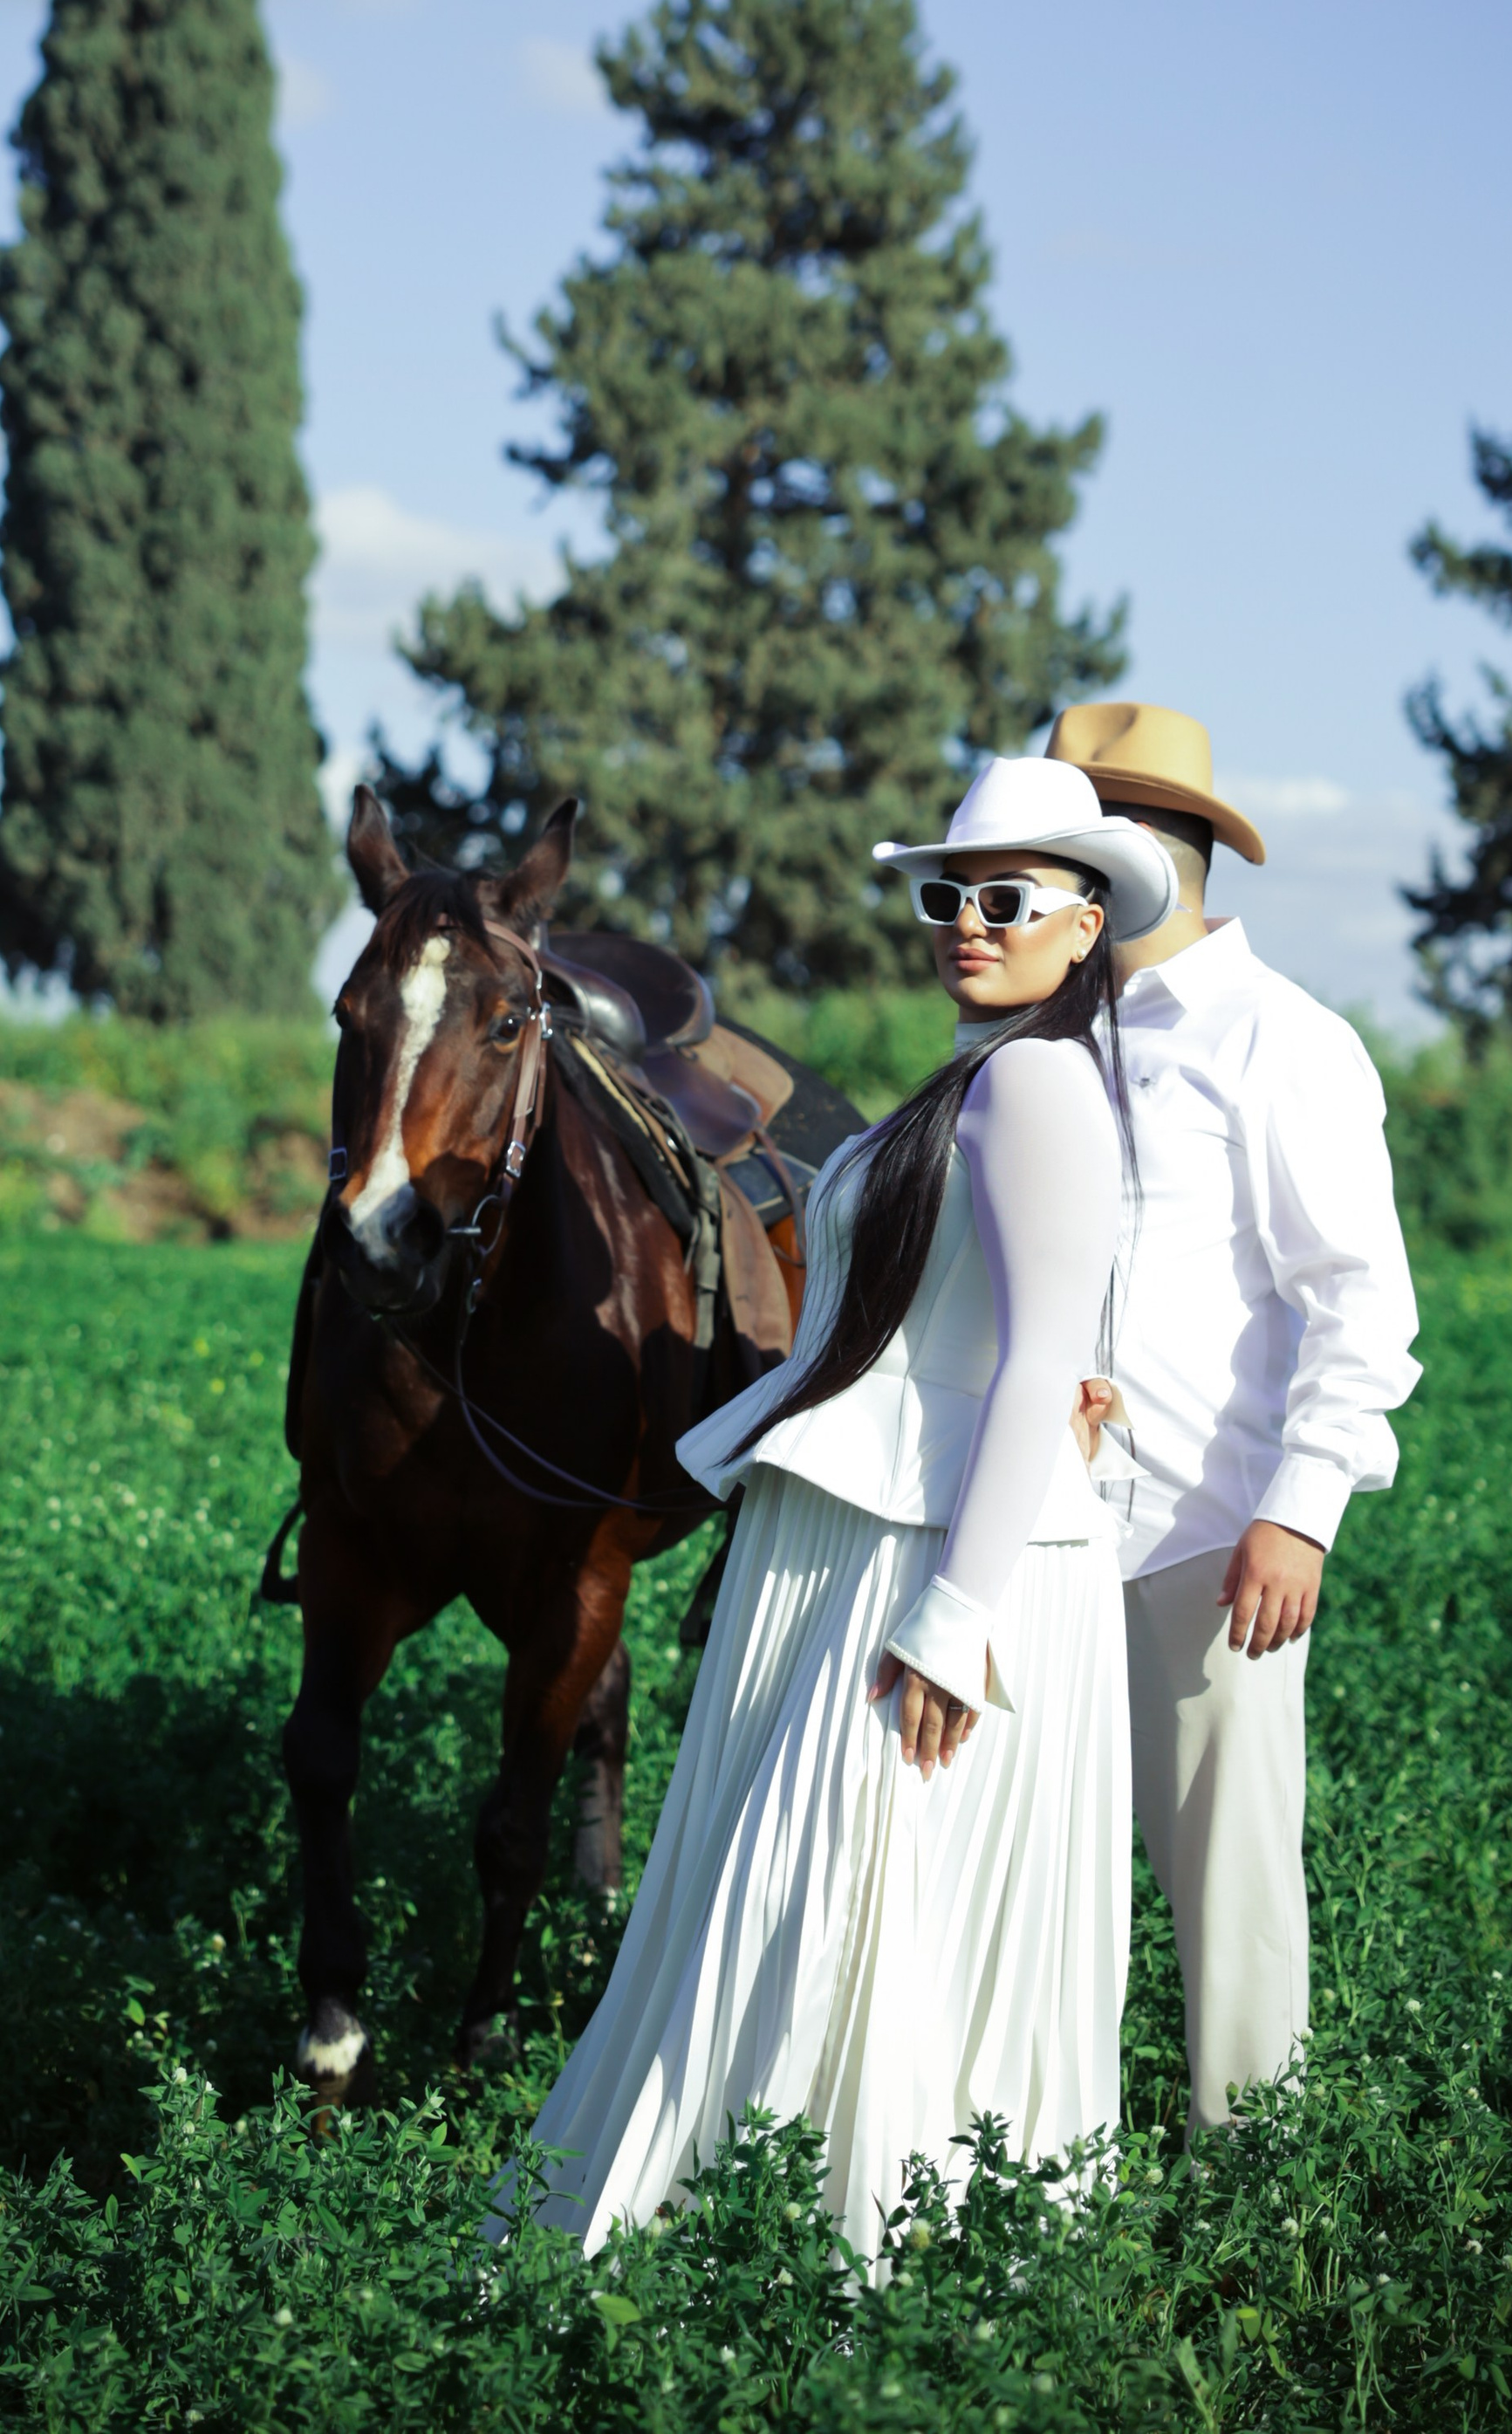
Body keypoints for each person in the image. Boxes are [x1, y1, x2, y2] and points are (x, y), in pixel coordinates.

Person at [517, 754, 1180, 2268]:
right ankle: (765, 2232)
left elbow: (1027, 1365)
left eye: (1006, 897)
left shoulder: (1037, 1080)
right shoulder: (976, 1076)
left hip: (931, 1562)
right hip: (866, 1532)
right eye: (949, 892)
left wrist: (958, 1621)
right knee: (806, 1889)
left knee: (845, 1890)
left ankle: (850, 2259)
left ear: (1085, 925)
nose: (966, 919)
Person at [1043, 700, 1422, 2131]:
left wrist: (1296, 1511)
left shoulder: (1285, 1041)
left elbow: (1358, 1307)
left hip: (1210, 1535)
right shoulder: (1049, 1037)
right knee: (1041, 1878)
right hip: (1046, 1535)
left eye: (1067, 849)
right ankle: (1042, 2167)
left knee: (1231, 1882)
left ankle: (1257, 2187)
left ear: (1139, 854)